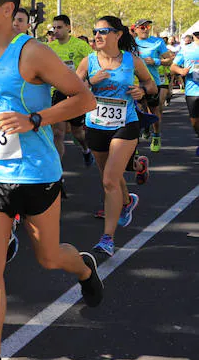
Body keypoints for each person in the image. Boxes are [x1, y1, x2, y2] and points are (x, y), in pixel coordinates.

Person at [0, 0, 103, 360]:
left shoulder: (32, 51)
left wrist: (35, 119)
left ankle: (85, 269)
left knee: (49, 257)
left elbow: (83, 99)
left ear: (6, 9)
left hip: (37, 175)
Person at [76, 16, 155, 256]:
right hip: (96, 125)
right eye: (95, 32)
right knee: (109, 175)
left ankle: (107, 239)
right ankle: (127, 202)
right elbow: (71, 89)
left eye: (103, 32)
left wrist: (142, 91)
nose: (97, 36)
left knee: (109, 180)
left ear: (118, 34)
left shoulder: (132, 60)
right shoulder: (88, 61)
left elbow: (150, 85)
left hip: (125, 124)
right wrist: (90, 81)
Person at [47, 15, 95, 169]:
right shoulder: (50, 47)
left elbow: (93, 63)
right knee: (58, 134)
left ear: (68, 27)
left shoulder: (79, 45)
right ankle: (57, 173)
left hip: (76, 92)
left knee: (77, 133)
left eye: (59, 27)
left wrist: (87, 82)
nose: (56, 31)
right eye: (54, 28)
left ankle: (85, 149)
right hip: (58, 93)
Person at [133, 19, 174, 152]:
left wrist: (156, 61)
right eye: (142, 27)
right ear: (136, 29)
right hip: (134, 83)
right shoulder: (131, 42)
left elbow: (169, 60)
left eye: (147, 26)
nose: (145, 29)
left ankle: (156, 135)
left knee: (154, 111)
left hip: (152, 83)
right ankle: (134, 143)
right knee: (135, 112)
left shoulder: (157, 42)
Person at [171, 33, 199, 155]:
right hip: (192, 90)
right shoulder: (187, 49)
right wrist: (181, 71)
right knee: (195, 121)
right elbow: (173, 67)